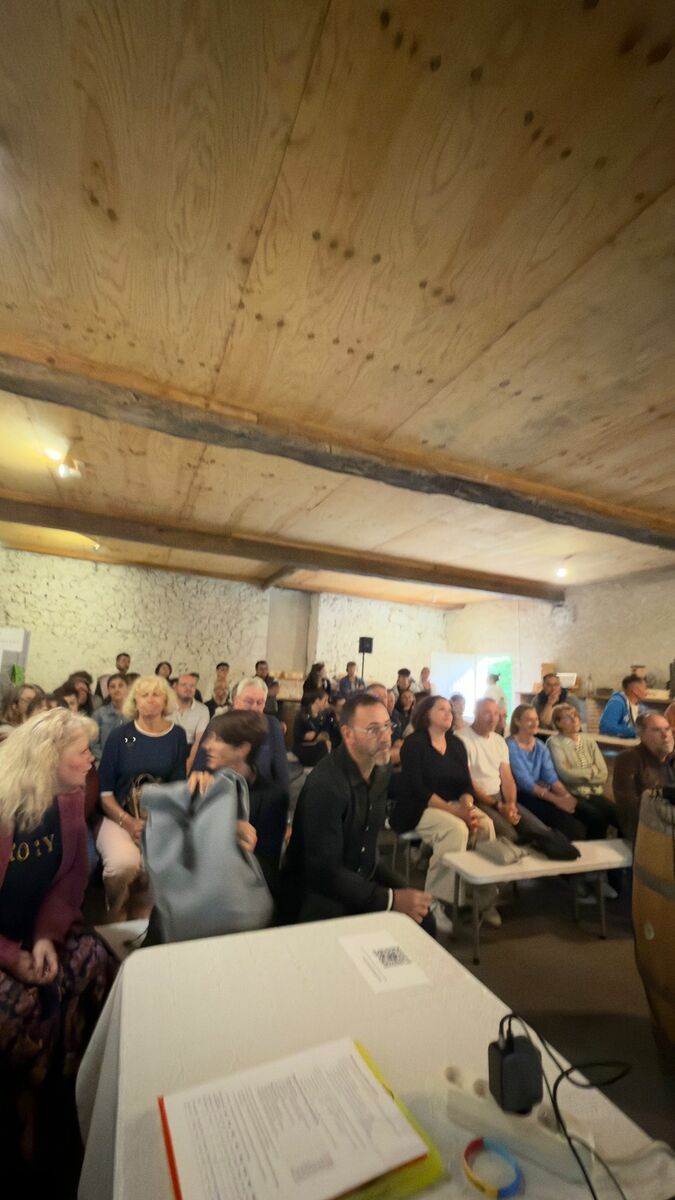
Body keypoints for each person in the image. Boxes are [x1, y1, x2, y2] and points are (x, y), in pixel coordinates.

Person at [0, 708, 116, 1182]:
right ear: (49, 758)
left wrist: (46, 937)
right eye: (82, 752)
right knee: (18, 1008)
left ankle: (72, 1084)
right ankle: (23, 1107)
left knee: (97, 964)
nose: (91, 760)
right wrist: (13, 957)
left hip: (33, 932)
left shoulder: (67, 800)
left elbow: (69, 881)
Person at [283, 693, 434, 931]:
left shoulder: (380, 768)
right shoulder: (327, 786)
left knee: (424, 918)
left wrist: (395, 891)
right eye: (373, 729)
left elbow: (365, 843)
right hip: (319, 889)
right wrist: (390, 899)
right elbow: (324, 871)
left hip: (360, 871)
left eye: (387, 726)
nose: (386, 737)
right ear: (348, 734)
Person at [393, 695, 498, 934]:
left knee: (486, 825)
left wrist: (467, 807)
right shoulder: (414, 743)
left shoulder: (456, 744)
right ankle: (434, 901)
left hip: (455, 804)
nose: (448, 713)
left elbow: (466, 784)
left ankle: (480, 896)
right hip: (419, 807)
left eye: (450, 710)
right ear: (426, 714)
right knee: (456, 829)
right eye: (441, 709)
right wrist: (458, 813)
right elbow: (418, 789)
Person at [97, 676, 188, 920]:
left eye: (156, 694)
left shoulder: (176, 736)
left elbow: (178, 787)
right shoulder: (124, 736)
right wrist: (128, 822)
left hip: (159, 819)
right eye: (144, 694)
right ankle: (116, 914)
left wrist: (157, 825)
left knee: (157, 869)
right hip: (119, 815)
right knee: (123, 866)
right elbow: (105, 792)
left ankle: (144, 920)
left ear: (166, 701)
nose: (150, 700)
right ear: (135, 701)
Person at [456, 698, 550, 843]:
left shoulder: (499, 741)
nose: (493, 718)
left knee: (540, 831)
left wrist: (511, 805)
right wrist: (498, 806)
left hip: (500, 798)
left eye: (496, 714)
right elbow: (469, 782)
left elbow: (507, 779)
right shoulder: (460, 739)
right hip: (476, 799)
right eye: (486, 713)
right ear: (475, 713)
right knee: (510, 836)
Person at [506, 706, 586, 841]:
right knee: (571, 827)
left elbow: (551, 777)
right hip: (521, 795)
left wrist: (567, 796)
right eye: (529, 720)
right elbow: (525, 782)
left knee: (586, 814)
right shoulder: (510, 745)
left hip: (542, 791)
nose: (535, 723)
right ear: (517, 722)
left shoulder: (540, 745)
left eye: (536, 719)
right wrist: (557, 800)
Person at [547, 704, 616, 837]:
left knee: (618, 815)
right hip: (572, 793)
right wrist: (592, 771)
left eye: (576, 716)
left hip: (594, 792)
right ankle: (591, 849)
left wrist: (579, 773)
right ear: (558, 723)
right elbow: (566, 775)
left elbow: (603, 774)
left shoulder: (589, 741)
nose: (574, 720)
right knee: (597, 818)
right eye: (568, 718)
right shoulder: (554, 742)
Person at [613, 713, 675, 842]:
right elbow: (629, 810)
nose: (665, 735)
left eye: (667, 729)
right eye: (656, 730)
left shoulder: (672, 758)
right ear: (642, 735)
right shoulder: (628, 759)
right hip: (647, 833)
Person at [172, 672, 210, 771]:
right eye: (184, 685)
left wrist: (189, 764)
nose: (188, 689)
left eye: (192, 686)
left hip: (190, 749)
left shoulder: (203, 710)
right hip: (167, 747)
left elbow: (198, 741)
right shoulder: (165, 706)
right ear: (175, 687)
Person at [91, 673, 129, 763]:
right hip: (105, 762)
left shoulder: (136, 714)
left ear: (128, 688)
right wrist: (107, 760)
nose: (117, 689)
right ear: (108, 690)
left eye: (120, 685)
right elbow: (93, 744)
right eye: (112, 687)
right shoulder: (99, 714)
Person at [293, 689, 335, 767]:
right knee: (324, 747)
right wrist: (317, 737)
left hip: (319, 745)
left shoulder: (324, 715)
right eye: (325, 701)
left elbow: (325, 734)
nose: (327, 704)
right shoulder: (303, 715)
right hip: (303, 748)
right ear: (317, 701)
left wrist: (317, 736)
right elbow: (301, 736)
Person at [599, 674, 649, 739]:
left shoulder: (641, 707)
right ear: (635, 690)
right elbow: (606, 728)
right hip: (616, 743)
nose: (647, 692)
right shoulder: (616, 702)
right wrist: (636, 731)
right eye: (645, 688)